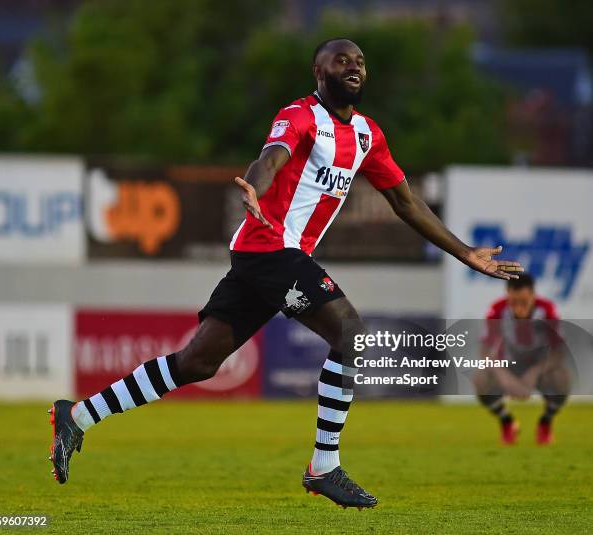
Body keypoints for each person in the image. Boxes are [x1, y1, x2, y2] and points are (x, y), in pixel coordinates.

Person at [48, 38, 523, 509]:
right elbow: (270, 157)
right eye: (341, 61)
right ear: (319, 73)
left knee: (198, 362)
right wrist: (254, 188)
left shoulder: (368, 136)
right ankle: (324, 465)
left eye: (359, 61)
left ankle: (79, 415)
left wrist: (464, 252)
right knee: (352, 333)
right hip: (270, 247)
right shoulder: (299, 115)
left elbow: (405, 201)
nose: (354, 66)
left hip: (264, 257)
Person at [474, 274, 570, 445]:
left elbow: (558, 352)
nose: (518, 308)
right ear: (507, 295)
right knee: (480, 379)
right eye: (513, 302)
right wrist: (504, 376)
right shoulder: (497, 310)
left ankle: (545, 422)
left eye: (524, 302)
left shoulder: (547, 310)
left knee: (562, 378)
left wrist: (534, 372)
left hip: (540, 368)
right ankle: (507, 422)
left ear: (533, 296)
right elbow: (485, 350)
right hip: (509, 366)